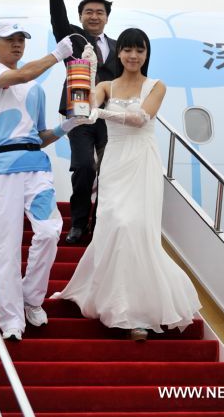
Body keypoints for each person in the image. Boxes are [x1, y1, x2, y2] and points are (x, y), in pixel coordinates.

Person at [52, 28, 201, 340]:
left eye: (140, 50)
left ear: (146, 55)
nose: (134, 56)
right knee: (114, 224)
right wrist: (83, 73)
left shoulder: (156, 86)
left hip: (142, 161)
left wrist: (100, 112)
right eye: (128, 50)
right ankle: (115, 303)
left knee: (134, 226)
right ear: (118, 53)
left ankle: (136, 314)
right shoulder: (106, 85)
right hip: (116, 161)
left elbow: (140, 119)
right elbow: (82, 109)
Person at [0, 23, 84, 340]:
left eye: (21, 40)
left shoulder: (35, 90)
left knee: (49, 231)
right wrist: (57, 54)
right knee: (5, 248)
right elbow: (19, 76)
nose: (17, 44)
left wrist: (68, 125)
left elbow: (39, 136)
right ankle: (10, 320)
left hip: (36, 166)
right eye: (10, 39)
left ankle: (31, 298)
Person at [47, 0, 116, 244]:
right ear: (81, 17)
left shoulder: (119, 45)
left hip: (111, 116)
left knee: (110, 173)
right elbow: (58, 19)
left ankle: (98, 225)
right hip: (79, 114)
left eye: (99, 12)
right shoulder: (73, 38)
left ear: (107, 18)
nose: (94, 16)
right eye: (88, 12)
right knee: (85, 167)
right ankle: (77, 225)